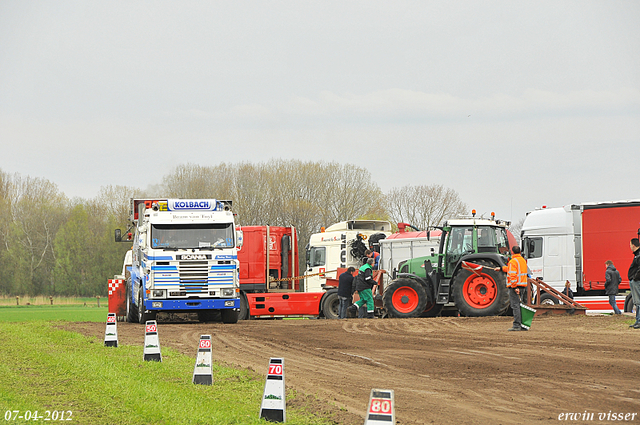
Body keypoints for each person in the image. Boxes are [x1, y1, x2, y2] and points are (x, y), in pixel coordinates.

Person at [495, 246, 529, 331]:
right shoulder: (522, 261)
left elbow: (512, 274)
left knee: (515, 306)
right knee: (521, 305)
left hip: (515, 286)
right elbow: (512, 270)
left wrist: (515, 287)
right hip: (523, 285)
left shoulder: (513, 261)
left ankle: (517, 325)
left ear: (512, 252)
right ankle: (524, 325)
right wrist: (501, 269)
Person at [628, 238, 640, 328]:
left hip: (637, 281)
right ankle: (637, 320)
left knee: (638, 302)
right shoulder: (637, 255)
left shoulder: (638, 255)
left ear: (633, 245)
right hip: (635, 280)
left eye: (630, 245)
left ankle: (639, 321)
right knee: (637, 302)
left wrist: (635, 278)